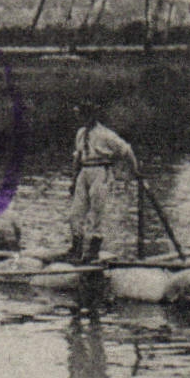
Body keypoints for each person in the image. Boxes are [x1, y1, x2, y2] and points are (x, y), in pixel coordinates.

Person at [68, 100, 138, 263]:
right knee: (75, 212)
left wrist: (134, 170)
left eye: (84, 115)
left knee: (97, 209)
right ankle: (76, 247)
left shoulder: (105, 134)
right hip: (84, 171)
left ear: (91, 116)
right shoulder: (81, 133)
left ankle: (93, 250)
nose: (81, 118)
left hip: (101, 171)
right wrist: (74, 179)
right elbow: (78, 157)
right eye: (80, 115)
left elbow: (126, 150)